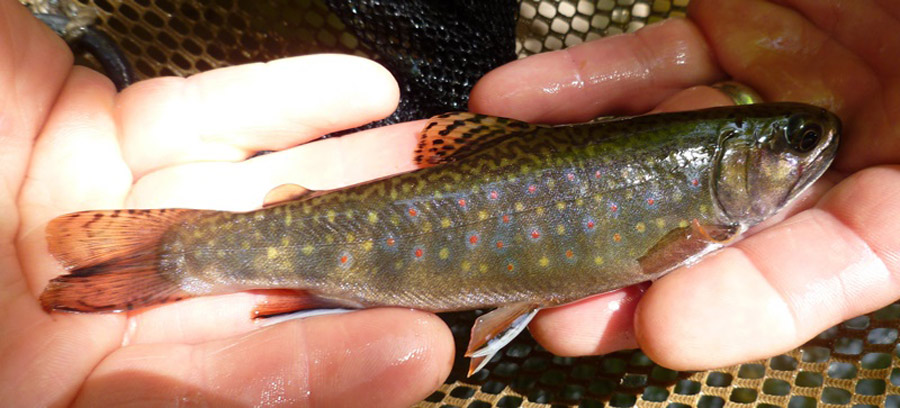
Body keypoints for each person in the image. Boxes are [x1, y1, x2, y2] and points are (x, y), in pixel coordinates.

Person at [1, 0, 896, 405]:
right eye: (781, 145)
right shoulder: (697, 218)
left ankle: (177, 259)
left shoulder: (703, 201)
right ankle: (179, 259)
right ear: (723, 176)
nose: (807, 147)